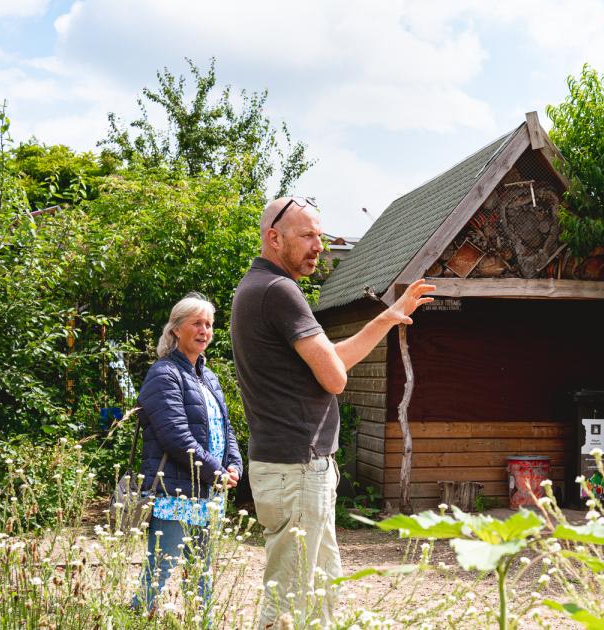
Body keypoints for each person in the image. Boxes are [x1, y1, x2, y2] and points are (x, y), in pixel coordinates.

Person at [230, 196, 435, 627]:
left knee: (321, 592)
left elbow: (330, 360)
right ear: (274, 237)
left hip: (286, 467)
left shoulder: (254, 287)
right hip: (296, 469)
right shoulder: (279, 291)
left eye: (320, 237)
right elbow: (336, 378)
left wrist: (387, 317)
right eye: (306, 236)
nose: (318, 246)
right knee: (288, 602)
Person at [134, 293, 243, 616]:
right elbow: (175, 436)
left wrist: (234, 463)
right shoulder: (164, 373)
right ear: (176, 330)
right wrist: (216, 471)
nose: (204, 330)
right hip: (175, 494)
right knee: (158, 574)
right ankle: (138, 620)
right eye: (196, 323)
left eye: (208, 324)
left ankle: (200, 623)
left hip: (207, 494)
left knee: (201, 577)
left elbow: (225, 427)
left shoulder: (208, 376)